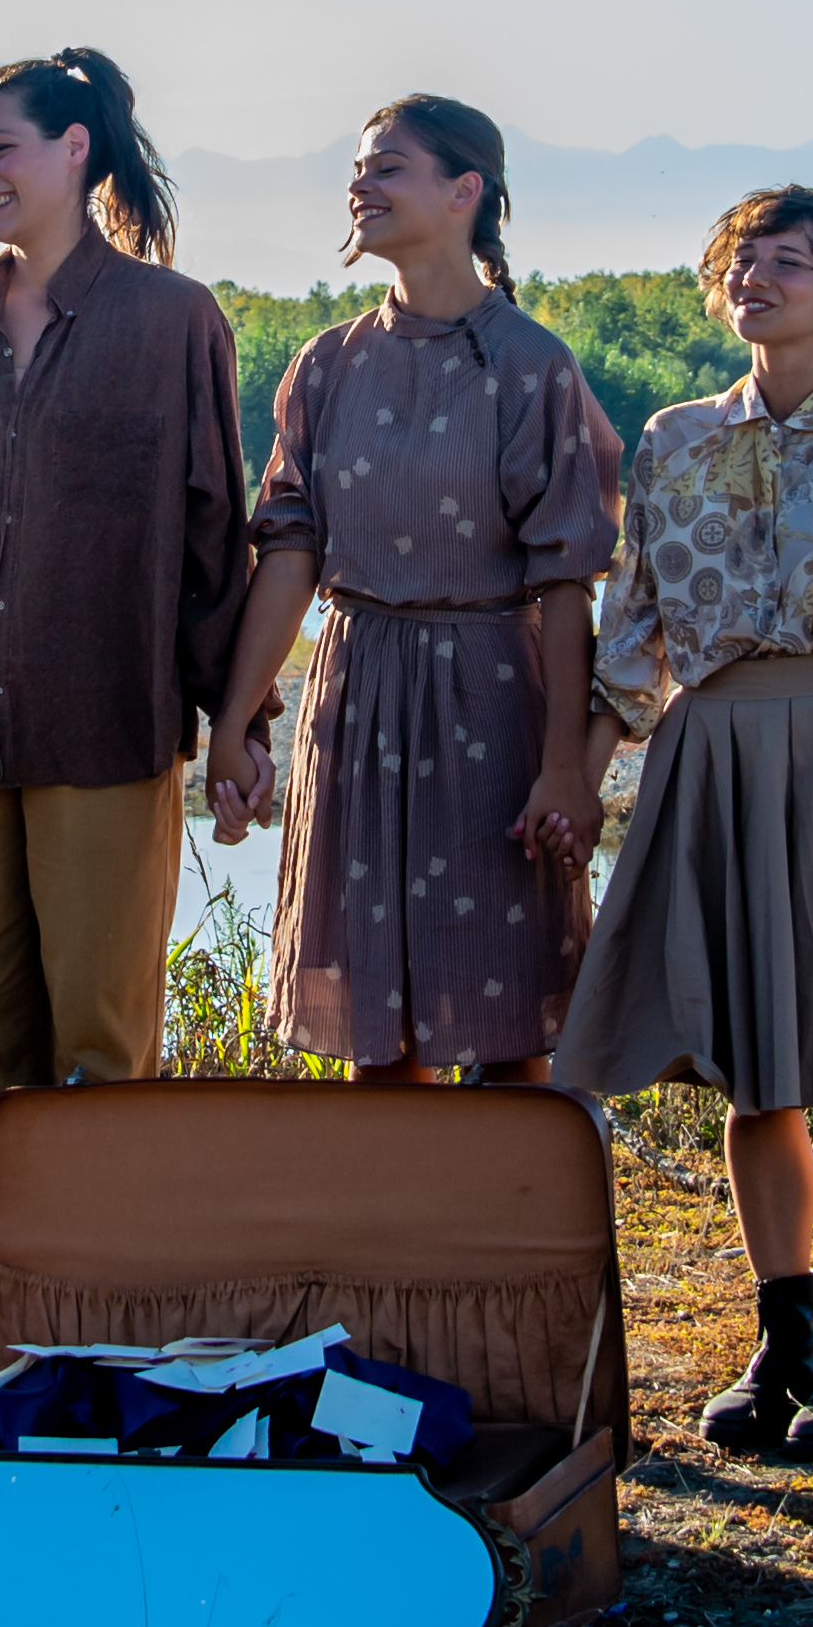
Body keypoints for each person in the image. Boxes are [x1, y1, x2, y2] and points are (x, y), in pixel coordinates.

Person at [555, 183, 813, 1467]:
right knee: (754, 1074)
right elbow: (629, 633)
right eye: (744, 260)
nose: (760, 279)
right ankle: (780, 1339)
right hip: (711, 757)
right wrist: (581, 787)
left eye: (789, 264)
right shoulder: (673, 439)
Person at [0, 49, 252, 1146]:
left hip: (105, 730)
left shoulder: (171, 319)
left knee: (101, 1058)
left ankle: (98, 1312)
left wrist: (237, 725)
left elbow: (215, 538)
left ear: (75, 149)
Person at [202, 96, 619, 1084]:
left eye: (386, 166)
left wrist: (564, 768)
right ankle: (397, 1238)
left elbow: (566, 584)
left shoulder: (529, 366)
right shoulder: (326, 365)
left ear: (463, 190)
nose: (360, 184)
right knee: (374, 1032)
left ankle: (509, 1239)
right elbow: (290, 555)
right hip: (354, 703)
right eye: (358, 167)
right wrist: (234, 722)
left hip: (491, 702)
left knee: (503, 1016)